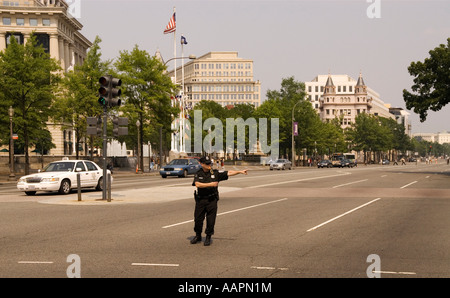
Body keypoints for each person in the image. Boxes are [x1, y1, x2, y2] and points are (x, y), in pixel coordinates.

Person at [191, 156, 248, 246]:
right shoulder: (198, 173)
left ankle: (208, 237)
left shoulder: (215, 173)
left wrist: (239, 172)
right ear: (201, 164)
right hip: (201, 200)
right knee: (198, 219)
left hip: (212, 200)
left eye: (210, 163)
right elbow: (198, 184)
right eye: (207, 163)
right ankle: (198, 236)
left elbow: (228, 173)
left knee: (211, 220)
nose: (209, 165)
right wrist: (211, 184)